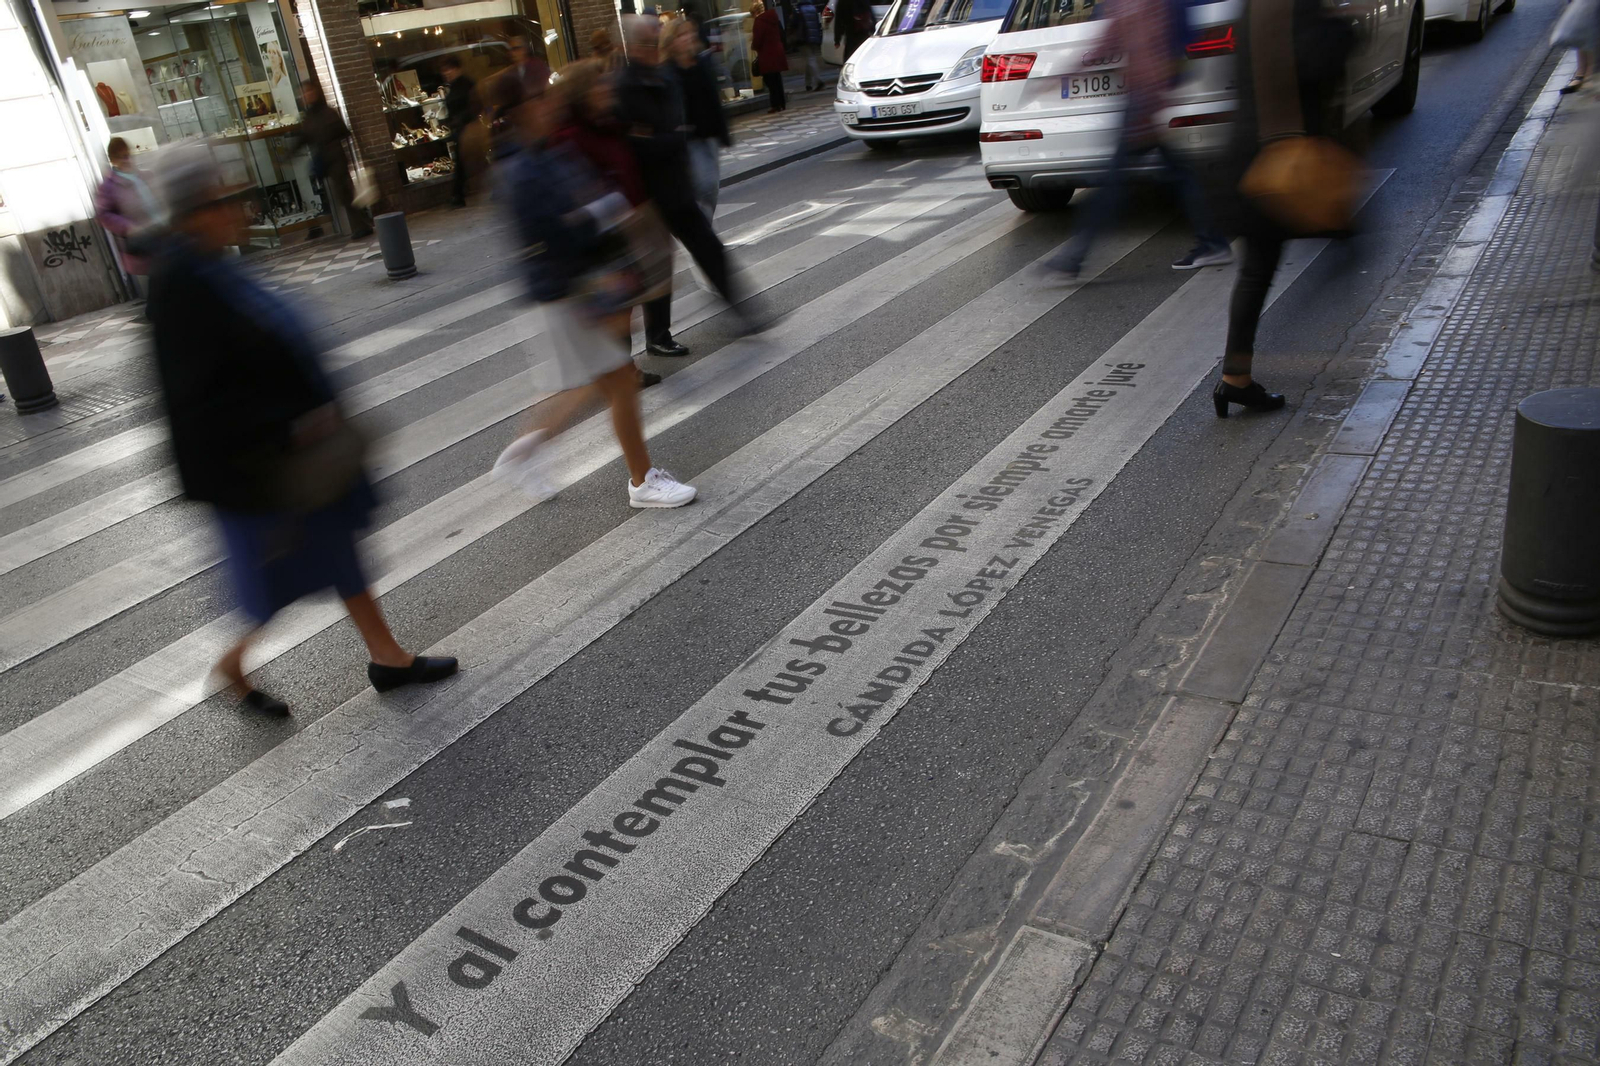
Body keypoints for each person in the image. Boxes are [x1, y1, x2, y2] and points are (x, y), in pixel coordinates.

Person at [146, 143, 457, 715]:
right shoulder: (181, 285)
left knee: (339, 551)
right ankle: (232, 667)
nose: (236, 209)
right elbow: (199, 399)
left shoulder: (215, 265)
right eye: (221, 200)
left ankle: (387, 657)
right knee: (272, 583)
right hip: (256, 465)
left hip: (293, 446)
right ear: (195, 213)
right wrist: (286, 427)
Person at [491, 76, 697, 508]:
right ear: (519, 109)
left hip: (571, 287)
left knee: (600, 381)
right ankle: (641, 482)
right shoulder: (522, 169)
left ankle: (526, 451)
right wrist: (598, 222)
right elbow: (557, 234)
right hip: (566, 291)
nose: (547, 102)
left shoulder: (540, 152)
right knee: (616, 380)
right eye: (537, 96)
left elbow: (579, 206)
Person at [1214, 0, 1348, 416]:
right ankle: (1245, 375)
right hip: (1288, 161)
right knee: (1348, 243)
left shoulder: (1251, 8)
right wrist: (1346, 27)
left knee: (1256, 270)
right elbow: (1320, 63)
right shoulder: (1298, 9)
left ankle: (1236, 380)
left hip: (1252, 155)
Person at [1042, 0, 1230, 279]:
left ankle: (1075, 256)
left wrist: (1150, 97)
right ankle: (1213, 242)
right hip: (1144, 95)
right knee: (1177, 174)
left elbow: (1145, 40)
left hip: (1143, 98)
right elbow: (1115, 39)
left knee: (1114, 182)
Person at [615, 14, 747, 357]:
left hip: (674, 183)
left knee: (707, 245)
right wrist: (667, 138)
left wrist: (666, 137)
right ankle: (650, 341)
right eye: (645, 43)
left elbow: (668, 127)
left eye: (653, 41)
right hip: (645, 194)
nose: (651, 49)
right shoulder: (625, 86)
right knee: (653, 267)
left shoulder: (663, 78)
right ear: (632, 47)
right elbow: (632, 142)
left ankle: (744, 311)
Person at [548, 58, 669, 389]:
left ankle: (619, 371)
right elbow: (578, 191)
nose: (607, 89)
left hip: (621, 231)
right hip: (598, 241)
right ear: (582, 93)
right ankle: (616, 376)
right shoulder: (570, 136)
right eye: (598, 84)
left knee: (624, 308)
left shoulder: (606, 123)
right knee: (615, 311)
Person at [664, 18, 732, 217]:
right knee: (705, 184)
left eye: (689, 33)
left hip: (709, 134)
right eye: (680, 35)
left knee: (710, 189)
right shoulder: (668, 70)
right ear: (671, 41)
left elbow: (713, 98)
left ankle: (701, 230)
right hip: (688, 138)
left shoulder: (702, 63)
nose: (687, 38)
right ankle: (700, 232)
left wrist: (724, 133)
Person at [292, 83, 373, 239]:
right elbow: (304, 137)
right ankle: (361, 224)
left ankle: (361, 225)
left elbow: (342, 132)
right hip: (328, 159)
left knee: (344, 193)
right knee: (343, 194)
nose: (305, 96)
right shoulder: (310, 116)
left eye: (308, 92)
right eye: (303, 94)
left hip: (336, 158)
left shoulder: (326, 113)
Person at [95, 137, 163, 287]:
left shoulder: (147, 175)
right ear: (112, 160)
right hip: (144, 237)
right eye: (121, 156)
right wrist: (129, 228)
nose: (126, 159)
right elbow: (104, 215)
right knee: (161, 277)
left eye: (128, 155)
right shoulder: (108, 186)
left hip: (163, 229)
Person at [440, 56, 478, 207]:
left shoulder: (466, 84)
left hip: (467, 128)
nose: (446, 73)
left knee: (462, 162)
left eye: (448, 69)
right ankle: (457, 194)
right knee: (461, 162)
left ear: (456, 68)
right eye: (444, 71)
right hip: (460, 128)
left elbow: (473, 105)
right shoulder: (455, 86)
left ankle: (457, 195)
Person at [751, 1, 789, 113]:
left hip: (767, 54)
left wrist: (753, 45)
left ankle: (775, 104)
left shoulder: (759, 21)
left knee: (769, 80)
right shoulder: (774, 18)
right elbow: (782, 34)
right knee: (777, 78)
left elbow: (758, 40)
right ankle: (782, 103)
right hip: (777, 51)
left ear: (755, 12)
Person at [796, 0, 824, 91]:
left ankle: (818, 80)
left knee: (810, 59)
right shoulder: (813, 8)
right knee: (810, 59)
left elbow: (796, 25)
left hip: (804, 38)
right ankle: (808, 83)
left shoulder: (799, 10)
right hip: (813, 37)